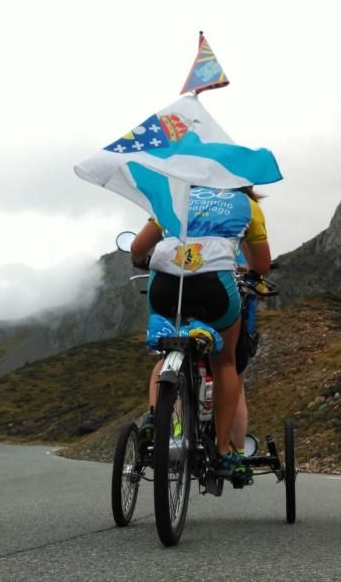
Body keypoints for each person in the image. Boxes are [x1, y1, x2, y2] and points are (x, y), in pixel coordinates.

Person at [131, 185, 271, 477]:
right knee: (226, 363)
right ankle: (222, 451)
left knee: (166, 352)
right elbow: (262, 265)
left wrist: (141, 260)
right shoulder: (247, 205)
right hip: (215, 288)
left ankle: (160, 426)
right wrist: (250, 272)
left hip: (167, 289)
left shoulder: (173, 198)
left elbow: (137, 249)